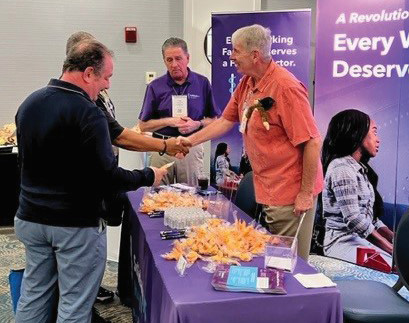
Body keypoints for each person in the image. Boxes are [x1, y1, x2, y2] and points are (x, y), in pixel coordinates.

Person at [14, 39, 167, 323]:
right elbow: (107, 178)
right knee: (74, 306)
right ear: (87, 73)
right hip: (74, 225)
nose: (106, 85)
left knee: (33, 296)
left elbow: (25, 165)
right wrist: (149, 176)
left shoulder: (29, 103)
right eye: (106, 77)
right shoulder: (89, 113)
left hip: (31, 219)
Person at [184, 24, 324, 261]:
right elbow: (225, 121)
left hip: (291, 193)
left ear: (254, 55)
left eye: (235, 51)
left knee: (287, 263)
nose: (231, 56)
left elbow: (312, 142)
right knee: (272, 257)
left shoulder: (285, 87)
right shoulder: (247, 83)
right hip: (268, 187)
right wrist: (188, 141)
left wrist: (305, 193)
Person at [138, 37, 220, 186]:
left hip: (191, 146)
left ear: (187, 58)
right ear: (164, 61)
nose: (174, 64)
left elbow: (214, 121)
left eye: (178, 58)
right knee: (158, 196)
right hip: (161, 147)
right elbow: (143, 126)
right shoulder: (155, 87)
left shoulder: (202, 83)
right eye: (169, 60)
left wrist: (197, 124)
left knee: (191, 196)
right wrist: (170, 121)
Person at [321, 109, 394, 265]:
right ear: (358, 134)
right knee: (395, 268)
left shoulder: (361, 170)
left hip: (359, 241)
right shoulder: (342, 169)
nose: (378, 139)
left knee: (405, 266)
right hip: (342, 243)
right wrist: (392, 251)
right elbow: (354, 220)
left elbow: (371, 220)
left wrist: (396, 240)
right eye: (374, 132)